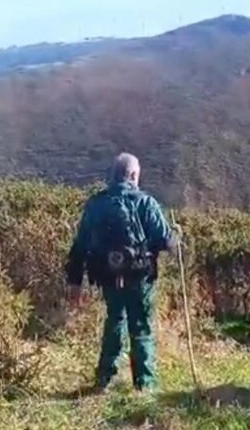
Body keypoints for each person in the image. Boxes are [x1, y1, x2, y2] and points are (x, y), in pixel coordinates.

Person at [65, 153, 181, 393]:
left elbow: (80, 245)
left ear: (114, 174)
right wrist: (175, 238)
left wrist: (74, 281)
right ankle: (144, 386)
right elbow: (165, 241)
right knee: (141, 327)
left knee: (115, 320)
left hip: (107, 276)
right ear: (133, 175)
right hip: (140, 277)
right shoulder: (145, 202)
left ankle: (104, 380)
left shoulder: (96, 204)